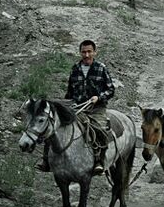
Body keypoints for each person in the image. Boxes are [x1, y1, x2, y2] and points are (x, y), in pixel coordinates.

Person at [36, 39, 115, 175]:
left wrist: (99, 97)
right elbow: (70, 92)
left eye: (89, 51)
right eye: (84, 52)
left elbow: (111, 89)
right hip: (77, 108)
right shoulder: (75, 69)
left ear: (95, 52)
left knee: (100, 130)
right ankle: (46, 160)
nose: (86, 55)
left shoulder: (101, 68)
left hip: (96, 109)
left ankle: (99, 161)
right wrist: (65, 106)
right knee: (54, 126)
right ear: (80, 53)